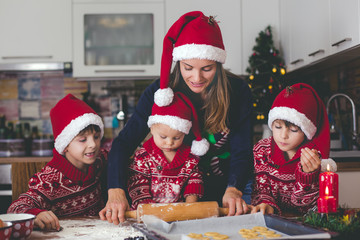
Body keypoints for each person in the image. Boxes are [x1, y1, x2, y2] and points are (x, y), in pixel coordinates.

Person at [100, 11, 253, 224]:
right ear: (178, 63)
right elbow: (124, 142)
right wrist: (115, 190)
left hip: (226, 192)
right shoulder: (160, 92)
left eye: (207, 69)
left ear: (218, 64)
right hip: (177, 200)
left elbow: (241, 150)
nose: (197, 78)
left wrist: (234, 189)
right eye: (188, 68)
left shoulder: (237, 91)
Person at [8, 94, 107, 231]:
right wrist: (37, 215)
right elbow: (15, 209)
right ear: (65, 145)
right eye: (83, 140)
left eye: (96, 137)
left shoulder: (99, 161)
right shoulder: (49, 180)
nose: (93, 144)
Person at [250, 83, 336, 215]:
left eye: (294, 130)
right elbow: (261, 191)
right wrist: (266, 204)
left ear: (306, 132)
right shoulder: (262, 149)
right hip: (270, 220)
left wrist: (307, 177)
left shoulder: (312, 158)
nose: (283, 136)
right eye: (278, 127)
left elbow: (307, 209)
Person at [128, 92, 209, 209]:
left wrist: (190, 205)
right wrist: (151, 210)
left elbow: (194, 180)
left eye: (176, 138)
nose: (169, 142)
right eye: (163, 137)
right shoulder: (143, 156)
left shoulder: (190, 158)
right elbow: (138, 185)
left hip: (178, 213)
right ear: (152, 129)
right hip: (148, 214)